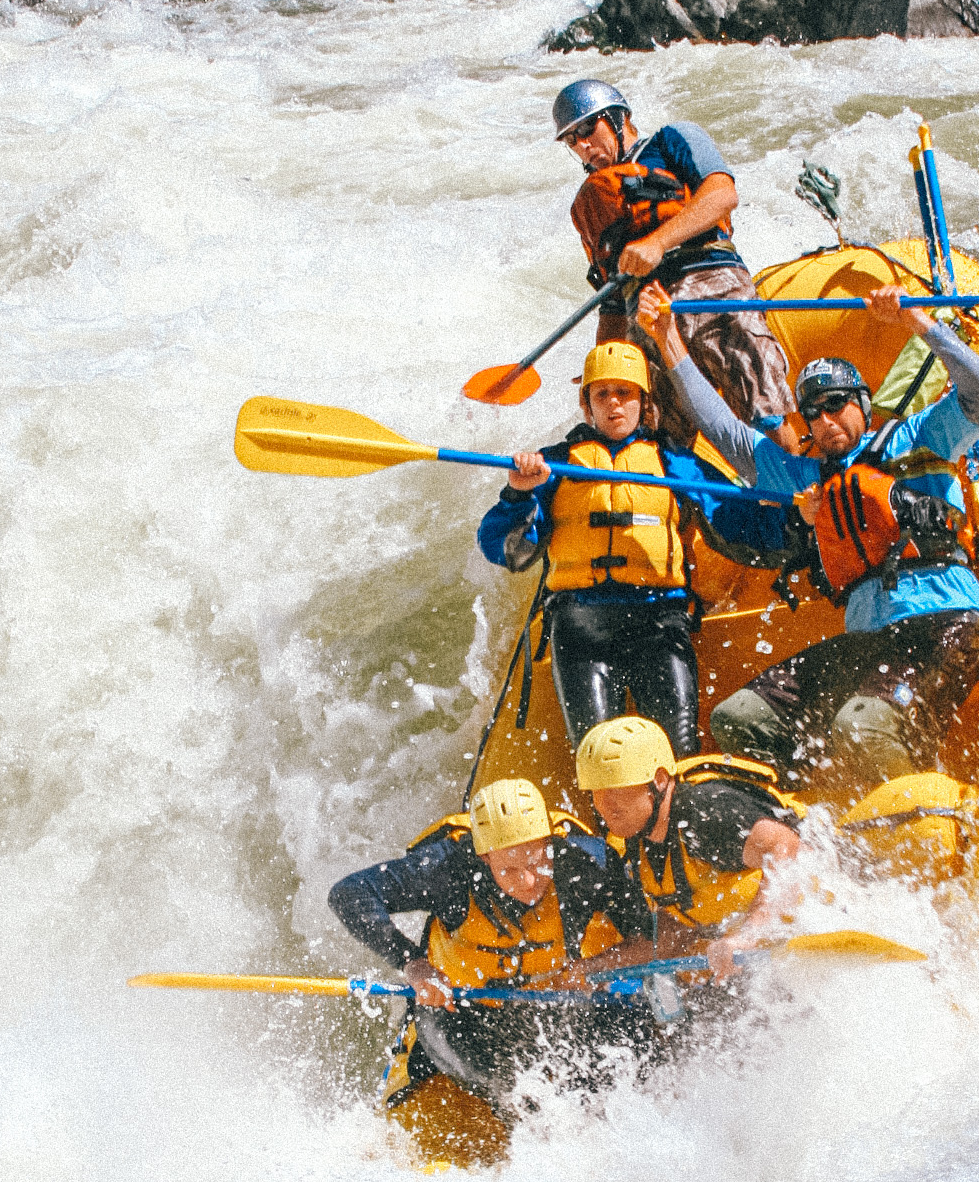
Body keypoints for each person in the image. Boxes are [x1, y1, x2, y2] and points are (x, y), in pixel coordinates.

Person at [637, 280, 979, 785]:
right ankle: (804, 818)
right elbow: (723, 428)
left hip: (943, 626)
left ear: (864, 406)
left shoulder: (921, 435)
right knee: (740, 717)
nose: (825, 420)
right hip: (872, 644)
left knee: (864, 725)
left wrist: (917, 321)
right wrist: (667, 337)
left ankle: (917, 822)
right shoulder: (807, 478)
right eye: (812, 412)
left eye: (836, 405)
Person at [327, 776, 648, 1118]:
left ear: (547, 842)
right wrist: (414, 965)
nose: (527, 882)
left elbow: (645, 940)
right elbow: (349, 894)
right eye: (509, 870)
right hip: (459, 1012)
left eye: (536, 863)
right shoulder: (446, 869)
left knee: (635, 1031)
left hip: (550, 1007)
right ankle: (513, 1107)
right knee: (505, 1084)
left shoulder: (585, 865)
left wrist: (591, 967)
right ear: (484, 856)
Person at [477, 340, 706, 757]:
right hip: (582, 625)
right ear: (587, 407)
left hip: (659, 619)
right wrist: (515, 495)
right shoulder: (553, 465)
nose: (614, 404)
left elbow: (736, 522)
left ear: (643, 401)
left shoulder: (675, 463)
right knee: (599, 759)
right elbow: (501, 549)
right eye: (602, 394)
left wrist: (798, 516)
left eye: (625, 393)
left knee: (681, 753)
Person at [550, 80, 794, 442]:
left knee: (765, 413)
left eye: (588, 129)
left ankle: (797, 494)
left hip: (712, 288)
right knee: (661, 443)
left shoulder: (671, 140)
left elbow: (722, 193)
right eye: (572, 140)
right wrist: (604, 361)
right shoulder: (591, 204)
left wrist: (657, 242)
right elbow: (611, 299)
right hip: (645, 314)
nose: (583, 145)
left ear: (619, 118)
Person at [573, 716, 805, 981]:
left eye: (616, 787)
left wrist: (747, 937)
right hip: (765, 949)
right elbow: (673, 932)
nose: (604, 804)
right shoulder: (635, 840)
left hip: (819, 915)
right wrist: (588, 971)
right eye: (595, 791)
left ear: (659, 780)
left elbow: (790, 850)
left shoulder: (704, 813)